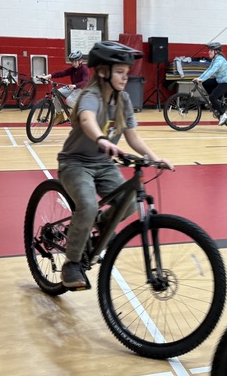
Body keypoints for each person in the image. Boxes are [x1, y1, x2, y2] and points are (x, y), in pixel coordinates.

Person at [56, 41, 173, 290]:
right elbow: (87, 119)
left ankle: (96, 222)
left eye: (126, 72)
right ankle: (71, 264)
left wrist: (154, 157)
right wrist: (100, 138)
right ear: (102, 72)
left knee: (129, 204)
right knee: (87, 205)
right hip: (76, 163)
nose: (124, 77)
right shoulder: (90, 96)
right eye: (119, 72)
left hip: (104, 163)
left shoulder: (124, 100)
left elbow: (132, 136)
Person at [194, 41, 227, 126]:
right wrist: (200, 78)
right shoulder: (215, 59)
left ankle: (223, 114)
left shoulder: (219, 60)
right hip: (220, 80)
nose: (208, 52)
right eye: (209, 50)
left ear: (216, 51)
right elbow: (208, 70)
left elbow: (212, 71)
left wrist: (200, 79)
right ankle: (216, 103)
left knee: (212, 97)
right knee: (206, 83)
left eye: (211, 50)